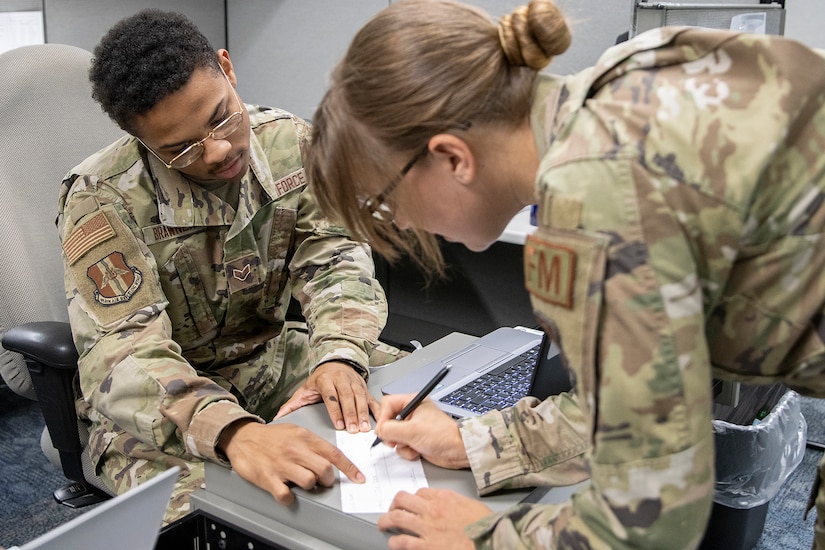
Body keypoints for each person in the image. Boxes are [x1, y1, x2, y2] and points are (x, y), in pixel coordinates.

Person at [304, 0, 825, 547]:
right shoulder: (624, 78)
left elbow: (653, 521)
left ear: (453, 158)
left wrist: (482, 539)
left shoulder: (595, 205)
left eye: (389, 201)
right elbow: (631, 413)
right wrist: (475, 444)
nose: (405, 225)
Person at [57, 9, 404, 524]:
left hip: (270, 361)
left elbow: (334, 257)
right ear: (142, 141)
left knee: (416, 406)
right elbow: (124, 353)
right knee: (242, 514)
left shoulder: (288, 142)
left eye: (221, 116)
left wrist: (339, 353)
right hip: (159, 408)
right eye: (182, 148)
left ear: (227, 68)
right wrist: (234, 433)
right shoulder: (102, 199)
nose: (218, 150)